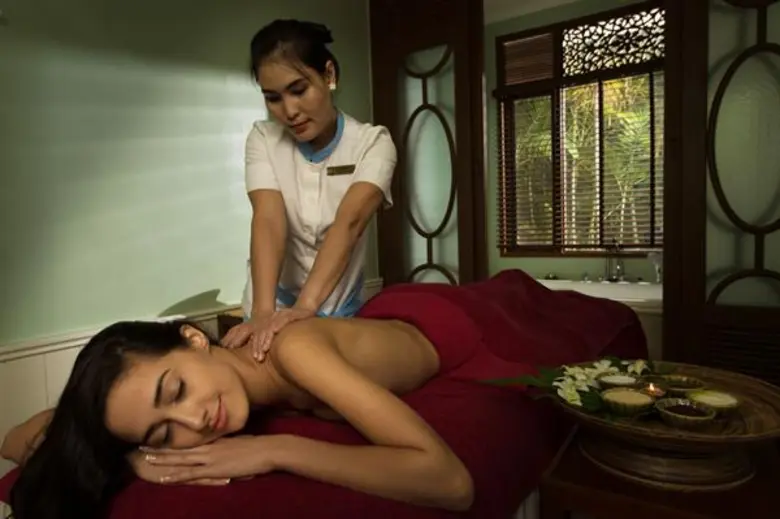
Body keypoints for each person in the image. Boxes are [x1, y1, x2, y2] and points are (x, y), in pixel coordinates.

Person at [226, 18, 397, 361]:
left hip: (334, 306)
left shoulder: (372, 143)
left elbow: (349, 224)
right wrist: (262, 313)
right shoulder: (263, 139)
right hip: (269, 301)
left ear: (328, 75)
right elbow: (269, 219)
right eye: (273, 98)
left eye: (299, 90)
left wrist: (305, 307)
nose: (289, 111)